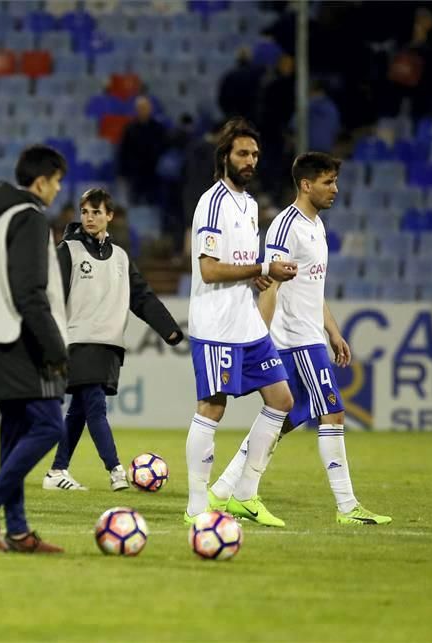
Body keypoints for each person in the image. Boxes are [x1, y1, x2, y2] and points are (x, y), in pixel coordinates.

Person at [208, 152, 392, 525]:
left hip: (310, 335)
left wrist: (333, 330)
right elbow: (271, 284)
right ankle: (347, 507)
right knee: (334, 412)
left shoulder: (316, 226)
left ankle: (224, 491)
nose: (335, 189)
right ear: (306, 184)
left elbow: (311, 285)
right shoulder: (285, 226)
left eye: (335, 182)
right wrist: (257, 336)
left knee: (285, 418)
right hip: (294, 339)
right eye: (328, 182)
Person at [183, 118, 298, 527]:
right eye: (242, 154)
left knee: (283, 401)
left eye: (254, 155)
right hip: (215, 323)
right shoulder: (212, 202)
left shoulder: (249, 206)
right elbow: (210, 271)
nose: (250, 161)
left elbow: (243, 266)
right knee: (212, 408)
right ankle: (197, 506)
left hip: (246, 321)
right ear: (225, 157)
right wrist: (262, 265)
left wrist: (258, 274)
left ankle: (244, 494)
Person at [0, 144, 69, 554]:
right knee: (49, 427)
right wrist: (56, 348)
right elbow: (30, 291)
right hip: (22, 337)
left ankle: (18, 531)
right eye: (56, 182)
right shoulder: (31, 218)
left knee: (16, 431)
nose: (58, 191)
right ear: (41, 181)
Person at [43, 188, 183, 492]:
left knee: (79, 410)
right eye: (85, 212)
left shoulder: (120, 257)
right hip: (78, 341)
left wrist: (169, 329)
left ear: (110, 215)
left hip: (109, 343)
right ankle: (116, 470)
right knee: (95, 406)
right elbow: (50, 295)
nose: (89, 218)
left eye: (96, 212)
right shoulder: (68, 250)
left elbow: (142, 297)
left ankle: (56, 471)